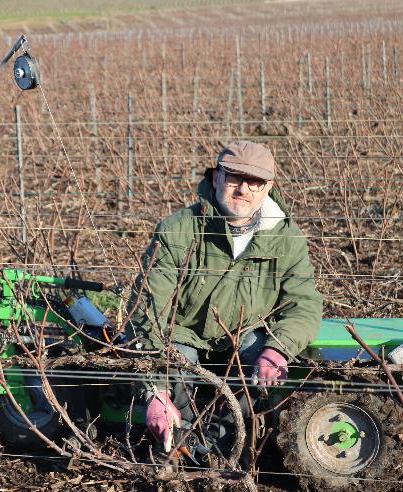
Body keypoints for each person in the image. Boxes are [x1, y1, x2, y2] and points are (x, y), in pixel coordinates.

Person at [127, 140, 323, 452]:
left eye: (255, 182)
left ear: (268, 187)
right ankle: (181, 448)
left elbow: (305, 304)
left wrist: (278, 349)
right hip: (184, 334)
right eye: (234, 178)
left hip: (244, 335)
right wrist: (155, 390)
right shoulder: (179, 229)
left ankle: (235, 445)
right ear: (217, 178)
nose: (243, 189)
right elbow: (147, 308)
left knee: (261, 363)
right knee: (177, 362)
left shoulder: (287, 239)